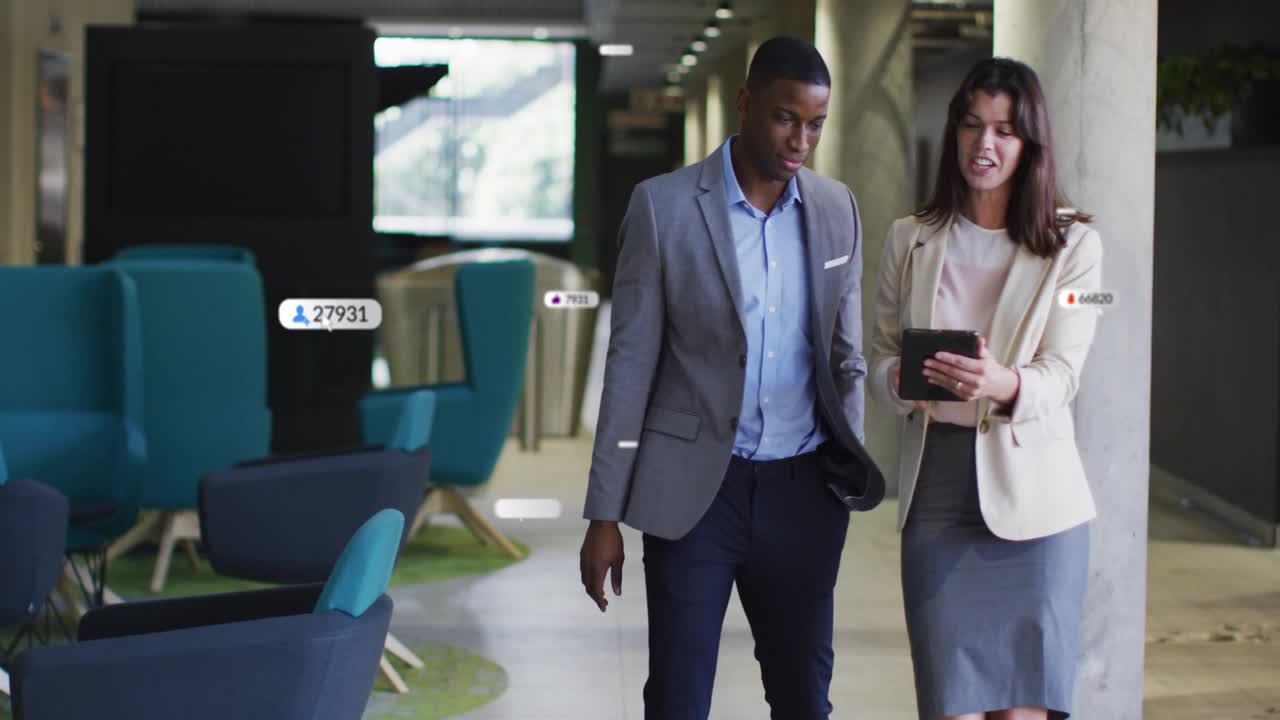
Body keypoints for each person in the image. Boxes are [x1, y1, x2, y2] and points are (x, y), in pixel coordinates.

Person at [580, 36, 884, 720]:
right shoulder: (662, 207)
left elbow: (847, 358)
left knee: (804, 700)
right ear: (746, 103)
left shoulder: (837, 209)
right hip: (694, 494)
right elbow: (629, 367)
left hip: (805, 492)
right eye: (785, 118)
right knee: (678, 700)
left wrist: (844, 471)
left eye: (816, 124)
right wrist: (604, 515)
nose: (800, 140)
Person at [868, 57, 1102, 720]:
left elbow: (1065, 373)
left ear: (1030, 143)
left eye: (1004, 130)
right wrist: (899, 382)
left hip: (1039, 506)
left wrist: (1005, 383)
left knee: (1023, 712)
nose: (984, 143)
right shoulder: (909, 240)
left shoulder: (1075, 247)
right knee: (950, 706)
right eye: (971, 125)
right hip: (938, 493)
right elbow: (879, 358)